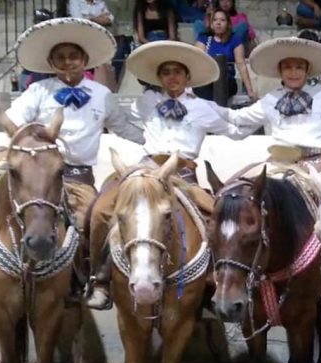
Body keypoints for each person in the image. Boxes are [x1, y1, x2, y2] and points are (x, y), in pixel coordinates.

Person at [86, 40, 253, 309]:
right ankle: (100, 278)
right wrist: (141, 141)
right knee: (101, 209)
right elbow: (128, 126)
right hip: (147, 170)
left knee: (213, 213)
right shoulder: (147, 101)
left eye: (178, 72)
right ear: (158, 78)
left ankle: (212, 280)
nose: (172, 77)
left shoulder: (203, 108)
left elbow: (234, 128)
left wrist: (261, 118)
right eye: (166, 72)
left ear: (188, 77)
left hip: (183, 173)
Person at [0, 18, 145, 306]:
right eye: (61, 58)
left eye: (74, 57)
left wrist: (157, 143)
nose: (68, 63)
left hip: (78, 177)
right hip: (39, 175)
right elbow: (13, 122)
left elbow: (124, 128)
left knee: (95, 219)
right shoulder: (39, 91)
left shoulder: (102, 95)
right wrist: (36, 138)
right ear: (51, 63)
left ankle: (91, 278)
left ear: (85, 60)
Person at [212, 36, 321, 180]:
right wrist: (209, 106)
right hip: (278, 163)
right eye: (287, 67)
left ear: (307, 70)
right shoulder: (271, 99)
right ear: (280, 71)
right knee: (235, 189)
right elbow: (238, 117)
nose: (293, 72)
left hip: (316, 165)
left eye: (299, 67)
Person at [194, 8, 256, 101]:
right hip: (207, 80)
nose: (218, 23)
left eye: (222, 20)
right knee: (201, 88)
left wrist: (250, 91)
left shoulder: (235, 40)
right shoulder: (204, 39)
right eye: (215, 20)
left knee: (220, 86)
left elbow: (241, 65)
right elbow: (198, 62)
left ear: (228, 24)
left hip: (227, 81)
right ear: (211, 24)